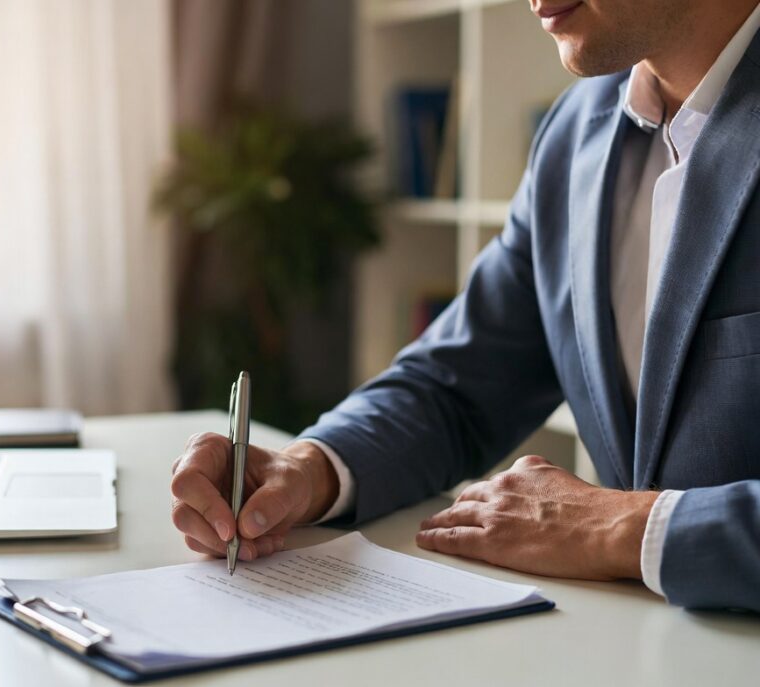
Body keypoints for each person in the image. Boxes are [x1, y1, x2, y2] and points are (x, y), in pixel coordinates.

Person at [170, 0, 760, 612]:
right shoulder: (574, 135)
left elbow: (620, 520)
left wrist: (627, 529)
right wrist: (308, 469)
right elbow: (458, 385)